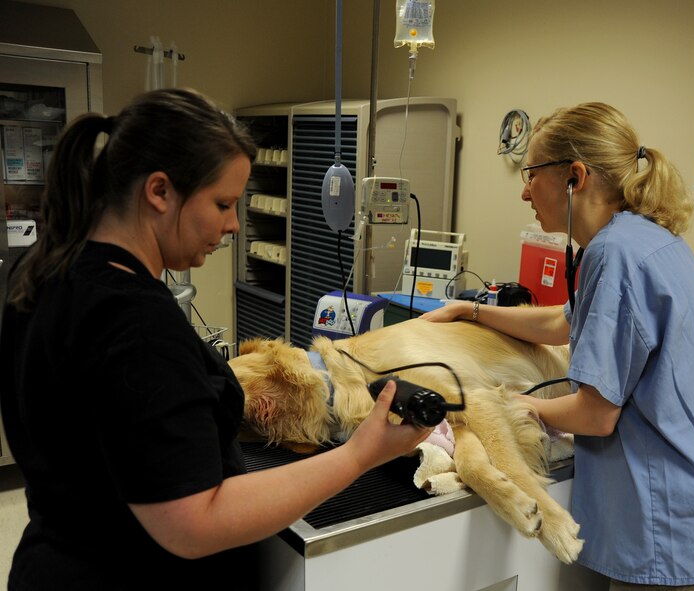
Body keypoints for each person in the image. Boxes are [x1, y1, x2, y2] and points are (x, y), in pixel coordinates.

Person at [0, 88, 432, 590]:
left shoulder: (44, 269)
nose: (232, 224)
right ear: (159, 191)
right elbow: (194, 523)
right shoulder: (134, 323)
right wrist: (360, 454)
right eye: (223, 203)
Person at [422, 102, 694, 589]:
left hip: (671, 528)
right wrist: (468, 310)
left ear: (574, 176)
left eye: (531, 174)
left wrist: (509, 406)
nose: (523, 191)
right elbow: (564, 321)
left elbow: (595, 415)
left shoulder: (613, 255)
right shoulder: (647, 240)